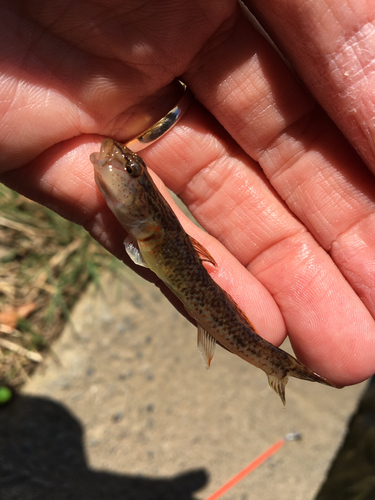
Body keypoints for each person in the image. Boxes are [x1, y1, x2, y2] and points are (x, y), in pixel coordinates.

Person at [1, 0, 374, 388]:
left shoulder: (151, 229)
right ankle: (272, 362)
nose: (116, 162)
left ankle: (274, 363)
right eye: (131, 169)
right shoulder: (146, 226)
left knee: (236, 318)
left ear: (144, 203)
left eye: (130, 169)